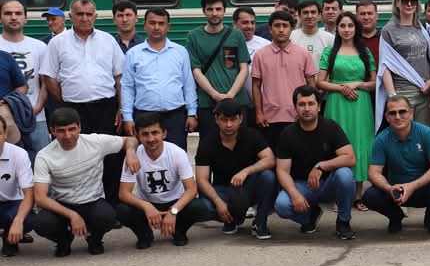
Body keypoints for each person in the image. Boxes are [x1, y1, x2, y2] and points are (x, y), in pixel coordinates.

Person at [39, 0, 125, 204]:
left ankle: (111, 204)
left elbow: (120, 77)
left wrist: (121, 109)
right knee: (77, 157)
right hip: (74, 110)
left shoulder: (108, 40)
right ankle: (81, 203)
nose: (84, 18)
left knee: (111, 156)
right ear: (71, 16)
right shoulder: (58, 43)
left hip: (106, 108)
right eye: (79, 14)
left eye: (89, 14)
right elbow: (48, 77)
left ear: (95, 16)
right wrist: (64, 102)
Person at [30, 107, 138, 257]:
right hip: (62, 203)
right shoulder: (44, 156)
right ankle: (64, 240)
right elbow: (40, 198)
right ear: (52, 131)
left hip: (91, 200)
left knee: (108, 216)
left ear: (79, 127)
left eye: (72, 129)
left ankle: (94, 238)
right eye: (61, 131)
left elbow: (131, 140)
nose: (68, 135)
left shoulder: (95, 142)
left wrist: (130, 152)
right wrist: (72, 215)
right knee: (42, 223)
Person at [116, 112, 214, 248]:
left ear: (164, 133)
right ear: (137, 135)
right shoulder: (133, 156)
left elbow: (191, 189)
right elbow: (123, 193)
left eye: (155, 133)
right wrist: (147, 207)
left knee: (200, 207)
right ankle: (144, 234)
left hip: (175, 201)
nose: (151, 138)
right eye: (145, 134)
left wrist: (173, 211)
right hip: (147, 202)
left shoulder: (177, 153)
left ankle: (179, 230)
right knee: (121, 210)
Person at [274, 86, 356, 239]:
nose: (306, 109)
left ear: (318, 107)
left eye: (311, 104)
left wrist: (321, 166)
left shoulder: (331, 127)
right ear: (295, 108)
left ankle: (343, 221)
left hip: (328, 183)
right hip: (302, 185)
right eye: (302, 104)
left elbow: (350, 158)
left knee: (345, 174)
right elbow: (282, 171)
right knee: (282, 206)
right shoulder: (288, 133)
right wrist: (295, 195)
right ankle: (310, 216)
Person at [361, 94, 430, 234]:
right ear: (387, 117)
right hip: (396, 191)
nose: (398, 117)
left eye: (402, 112)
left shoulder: (426, 133)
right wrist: (389, 188)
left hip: (422, 188)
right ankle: (395, 217)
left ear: (411, 113)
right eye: (393, 113)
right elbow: (373, 173)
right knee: (370, 196)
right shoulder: (381, 139)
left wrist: (412, 186)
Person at [316, 11, 376, 208]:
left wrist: (357, 84)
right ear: (337, 28)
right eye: (343, 26)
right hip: (336, 104)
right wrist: (342, 88)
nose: (347, 29)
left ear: (356, 28)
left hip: (360, 105)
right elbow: (320, 82)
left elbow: (374, 83)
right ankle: (338, 195)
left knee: (359, 144)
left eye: (350, 25)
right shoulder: (329, 52)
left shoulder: (365, 52)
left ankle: (357, 195)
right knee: (337, 146)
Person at [195, 98, 277, 239]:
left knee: (268, 177)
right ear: (216, 119)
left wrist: (246, 171)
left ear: (240, 119)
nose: (229, 125)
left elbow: (270, 159)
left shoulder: (251, 135)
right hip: (223, 189)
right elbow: (201, 179)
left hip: (248, 186)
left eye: (233, 120)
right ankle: (231, 220)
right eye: (224, 120)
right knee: (205, 205)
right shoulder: (207, 143)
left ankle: (260, 222)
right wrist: (218, 202)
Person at [120, 7, 198, 149]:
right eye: (152, 23)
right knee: (145, 157)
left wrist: (192, 113)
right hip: (144, 116)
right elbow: (127, 87)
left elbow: (188, 84)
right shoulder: (133, 54)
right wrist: (128, 117)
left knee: (176, 155)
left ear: (168, 26)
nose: (156, 27)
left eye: (161, 23)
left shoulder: (180, 52)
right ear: (145, 25)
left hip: (175, 116)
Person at [186, 0, 250, 138]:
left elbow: (244, 68)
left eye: (218, 9)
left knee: (241, 144)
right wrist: (215, 95)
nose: (214, 13)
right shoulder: (193, 36)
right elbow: (196, 71)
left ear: (224, 10)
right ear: (204, 11)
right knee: (210, 144)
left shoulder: (236, 35)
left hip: (237, 101)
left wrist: (230, 95)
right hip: (208, 104)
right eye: (210, 9)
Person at [251, 10, 317, 150]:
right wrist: (259, 113)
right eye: (277, 25)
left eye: (285, 26)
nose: (281, 30)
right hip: (270, 117)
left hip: (298, 116)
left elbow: (311, 84)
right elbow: (256, 86)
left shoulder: (303, 54)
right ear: (270, 29)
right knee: (273, 156)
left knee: (299, 156)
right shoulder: (260, 55)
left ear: (292, 28)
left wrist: (311, 109)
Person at [379, 0, 430, 126]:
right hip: (402, 92)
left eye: (413, 1)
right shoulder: (388, 30)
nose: (409, 4)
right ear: (397, 3)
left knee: (422, 133)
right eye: (405, 1)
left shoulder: (423, 27)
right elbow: (385, 66)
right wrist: (392, 96)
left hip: (424, 91)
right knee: (403, 133)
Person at [0, 0, 49, 156]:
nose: (13, 17)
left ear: (25, 18)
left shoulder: (40, 47)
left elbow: (45, 82)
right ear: (0, 18)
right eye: (8, 13)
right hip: (3, 119)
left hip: (36, 117)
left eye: (18, 13)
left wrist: (37, 107)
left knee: (41, 161)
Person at [0, 115, 34, 257]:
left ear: (5, 134)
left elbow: (29, 194)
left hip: (12, 204)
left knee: (28, 219)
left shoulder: (19, 154)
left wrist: (18, 221)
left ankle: (10, 236)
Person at [233, 5, 270, 113]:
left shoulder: (266, 45)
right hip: (237, 103)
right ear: (235, 24)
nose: (250, 26)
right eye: (245, 23)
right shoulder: (227, 44)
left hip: (262, 105)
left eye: (252, 22)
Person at [290, 0, 335, 70]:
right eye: (305, 12)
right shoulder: (291, 37)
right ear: (299, 16)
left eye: (313, 12)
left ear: (319, 15)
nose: (310, 16)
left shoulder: (330, 38)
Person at [355, 0, 381, 70]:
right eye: (362, 14)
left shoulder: (385, 39)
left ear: (377, 16)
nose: (366, 17)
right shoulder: (351, 40)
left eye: (369, 13)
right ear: (356, 17)